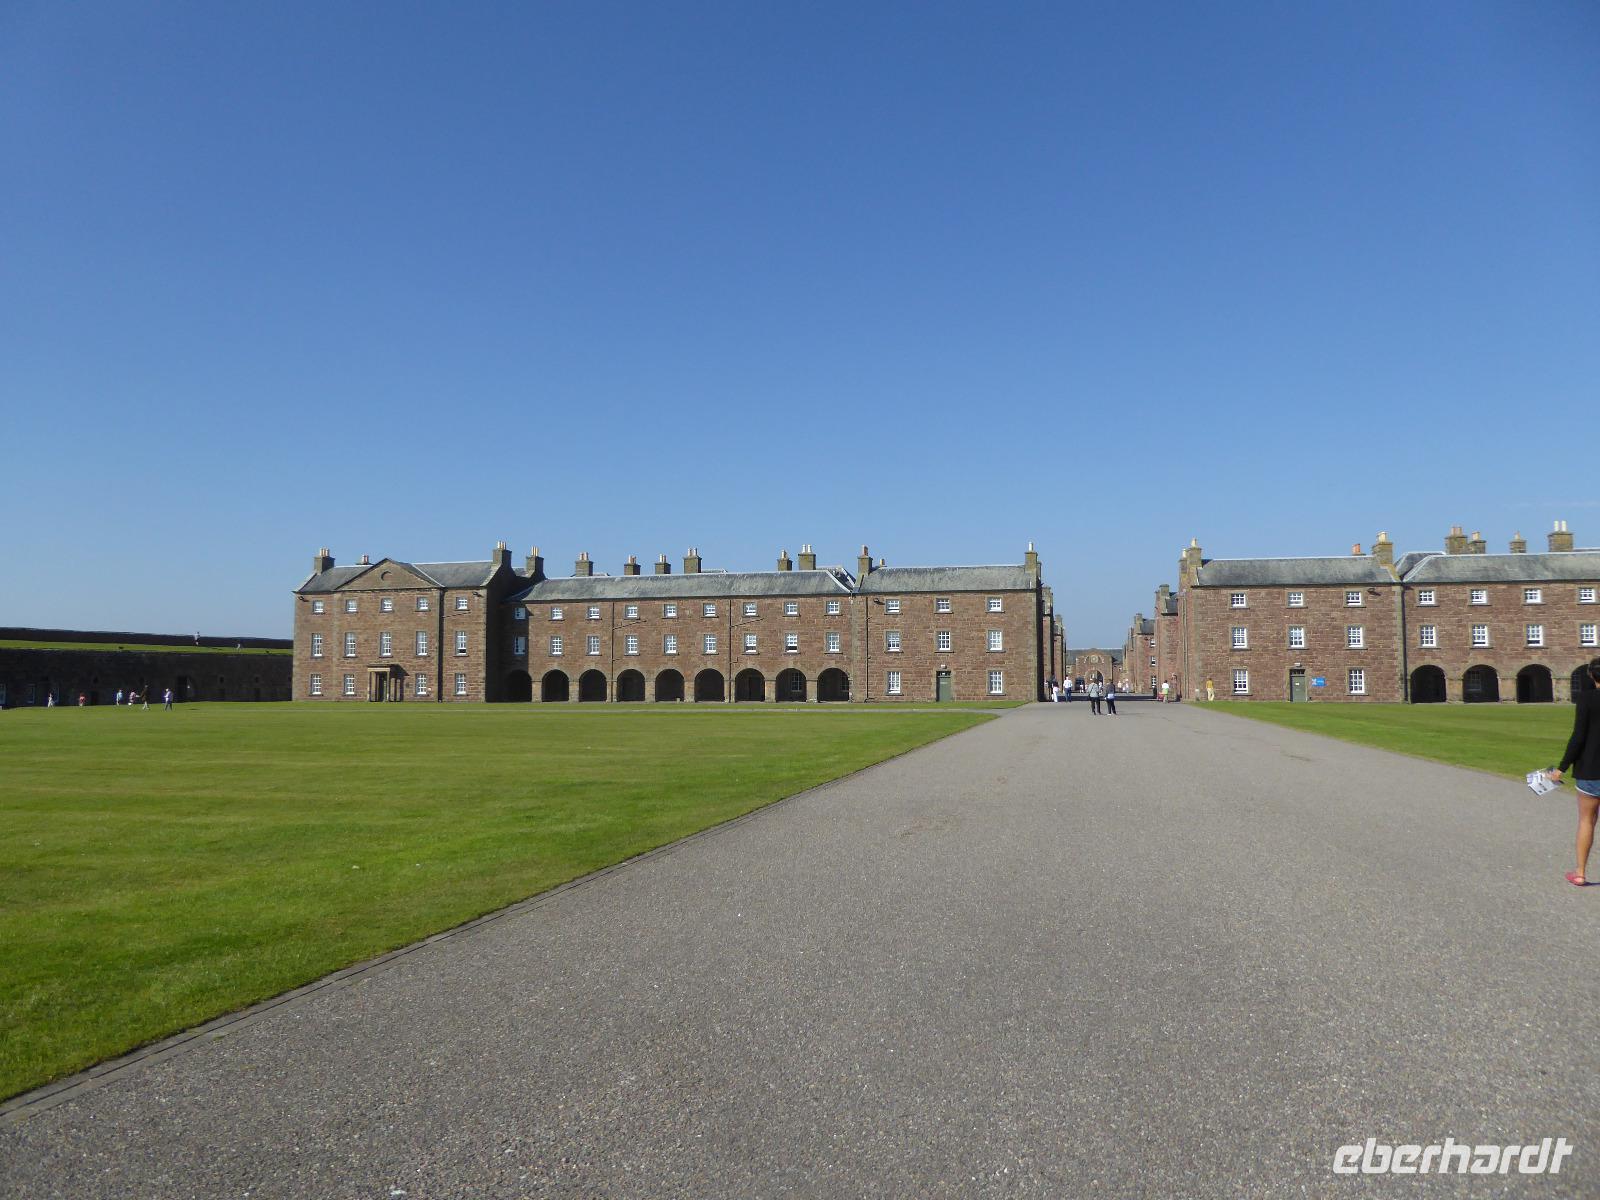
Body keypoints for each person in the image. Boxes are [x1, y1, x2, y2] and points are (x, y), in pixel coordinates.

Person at [1549, 657, 1600, 887]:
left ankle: (1580, 873)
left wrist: (1562, 767)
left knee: (1587, 821)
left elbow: (1578, 737)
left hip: (1590, 770)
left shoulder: (1587, 698)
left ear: (1591, 675)